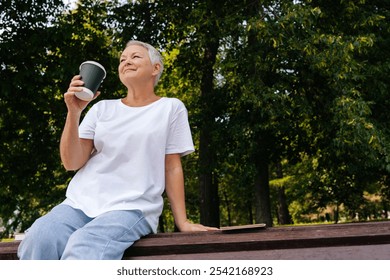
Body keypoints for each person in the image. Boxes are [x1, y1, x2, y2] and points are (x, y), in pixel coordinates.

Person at [18, 40, 217, 260]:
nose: (126, 61)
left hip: (131, 207)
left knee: (85, 245)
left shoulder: (170, 108)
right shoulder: (102, 109)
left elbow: (171, 167)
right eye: (123, 59)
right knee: (40, 236)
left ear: (156, 68)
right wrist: (73, 113)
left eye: (135, 57)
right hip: (79, 203)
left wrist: (183, 222)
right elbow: (71, 162)